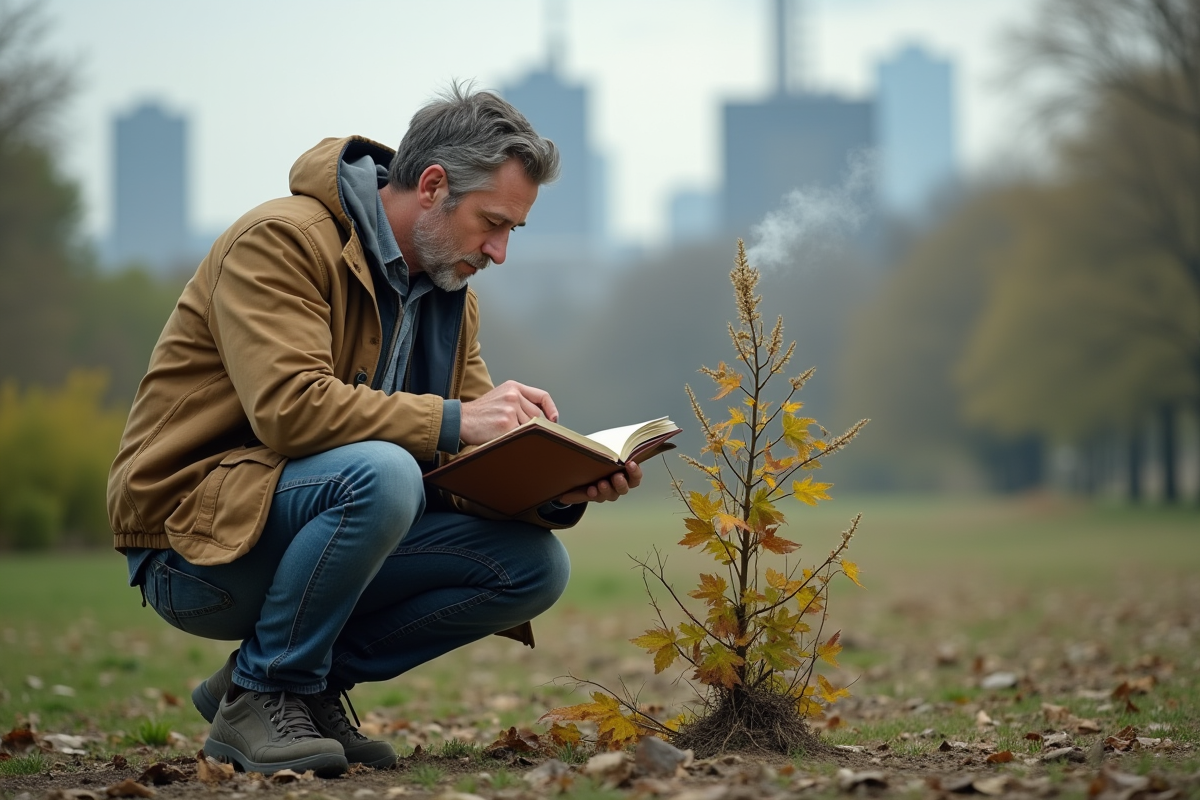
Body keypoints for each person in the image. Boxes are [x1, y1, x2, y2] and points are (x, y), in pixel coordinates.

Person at [106, 83, 642, 777]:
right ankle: (269, 690)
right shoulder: (281, 240)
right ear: (432, 185)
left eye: (514, 230)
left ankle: (288, 686)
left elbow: (465, 467)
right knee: (384, 475)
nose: (500, 251)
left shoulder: (450, 297)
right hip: (191, 548)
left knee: (532, 567)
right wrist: (458, 419)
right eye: (493, 222)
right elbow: (290, 410)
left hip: (314, 519)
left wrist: (559, 485)